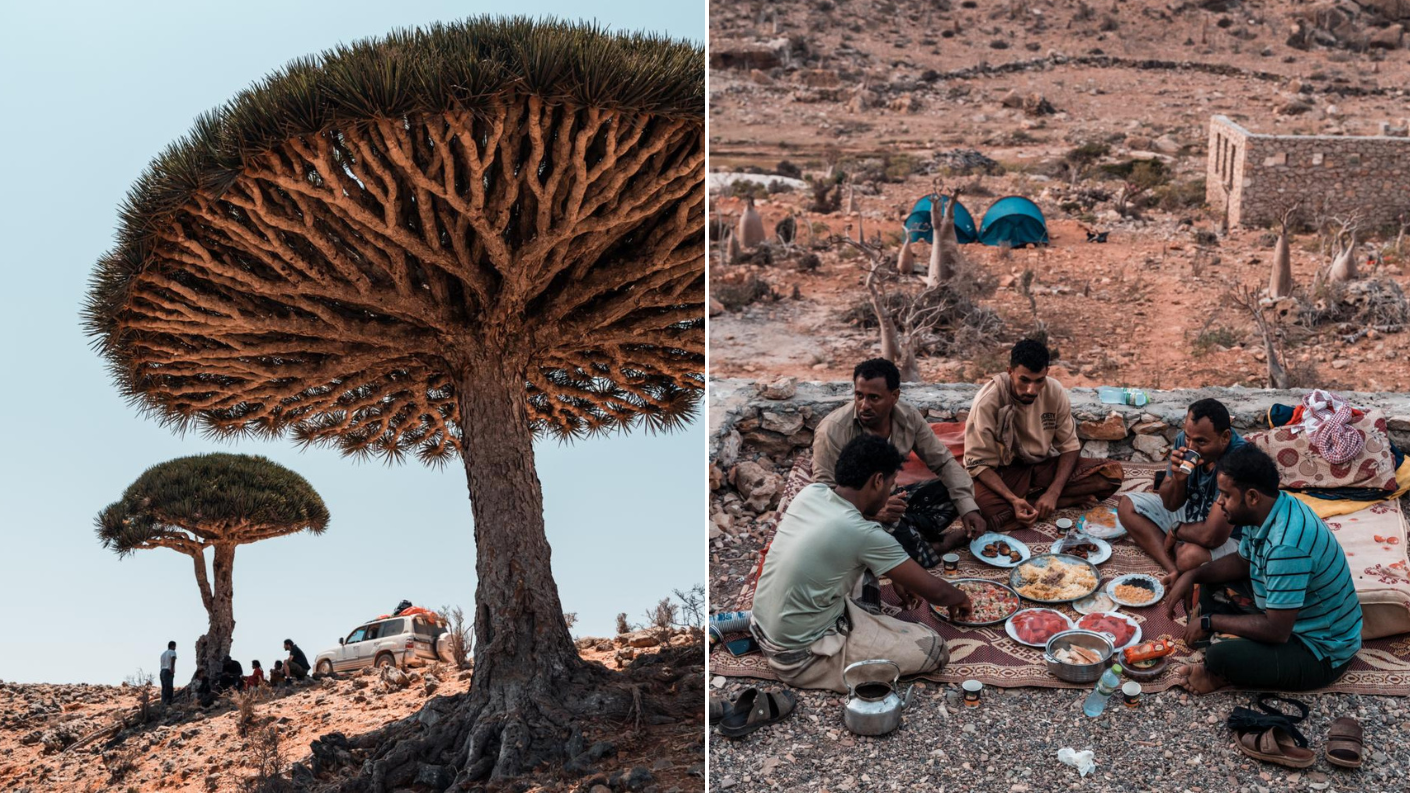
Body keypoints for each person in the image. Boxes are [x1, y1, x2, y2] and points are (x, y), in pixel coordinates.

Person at [750, 434, 974, 693]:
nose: (890, 491)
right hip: (797, 658)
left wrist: (899, 575)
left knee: (857, 566)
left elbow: (851, 543)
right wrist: (961, 598)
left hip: (760, 626)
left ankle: (862, 622)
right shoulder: (863, 534)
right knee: (933, 647)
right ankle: (849, 642)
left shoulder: (812, 492)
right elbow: (938, 593)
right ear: (878, 481)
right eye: (891, 484)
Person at [1163, 444, 1362, 693]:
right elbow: (1243, 561)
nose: (1219, 502)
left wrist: (1208, 621)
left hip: (1320, 651)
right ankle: (1226, 637)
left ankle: (1216, 675)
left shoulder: (1286, 547)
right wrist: (1192, 574)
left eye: (1226, 495)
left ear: (1252, 497)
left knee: (1220, 655)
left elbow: (1277, 631)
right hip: (1285, 614)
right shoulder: (1266, 510)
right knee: (1207, 580)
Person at [812, 358, 987, 562]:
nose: (864, 405)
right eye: (859, 396)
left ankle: (908, 532)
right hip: (854, 513)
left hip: (891, 499)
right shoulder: (833, 430)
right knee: (909, 557)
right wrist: (873, 513)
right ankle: (936, 545)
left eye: (874, 398)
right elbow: (823, 496)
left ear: (894, 396)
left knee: (953, 490)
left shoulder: (908, 417)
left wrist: (968, 508)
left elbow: (943, 462)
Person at [964, 340, 1123, 531]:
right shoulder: (988, 402)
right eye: (1024, 380)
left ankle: (1038, 501)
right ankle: (1056, 501)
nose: (1031, 390)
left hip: (1040, 466)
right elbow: (978, 464)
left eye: (1039, 381)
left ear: (1047, 372)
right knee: (986, 513)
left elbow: (1070, 446)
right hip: (1004, 473)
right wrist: (1013, 499)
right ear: (1010, 371)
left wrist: (1053, 492)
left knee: (1111, 474)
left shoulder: (1054, 391)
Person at [1119, 398, 1248, 580]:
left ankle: (1179, 555)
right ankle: (1172, 568)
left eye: (1201, 442)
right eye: (1188, 437)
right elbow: (1170, 504)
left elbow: (1212, 537)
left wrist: (1176, 530)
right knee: (1127, 505)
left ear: (1225, 437)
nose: (1191, 448)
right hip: (1195, 515)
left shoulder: (1238, 461)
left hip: (1230, 536)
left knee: (1189, 557)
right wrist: (1179, 480)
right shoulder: (1184, 441)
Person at [159, 640, 177, 707]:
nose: (175, 648)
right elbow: (173, 658)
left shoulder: (163, 654)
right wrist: (171, 669)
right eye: (175, 646)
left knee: (164, 688)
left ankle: (163, 702)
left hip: (162, 671)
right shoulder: (172, 652)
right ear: (172, 646)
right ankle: (168, 702)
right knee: (169, 687)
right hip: (168, 671)